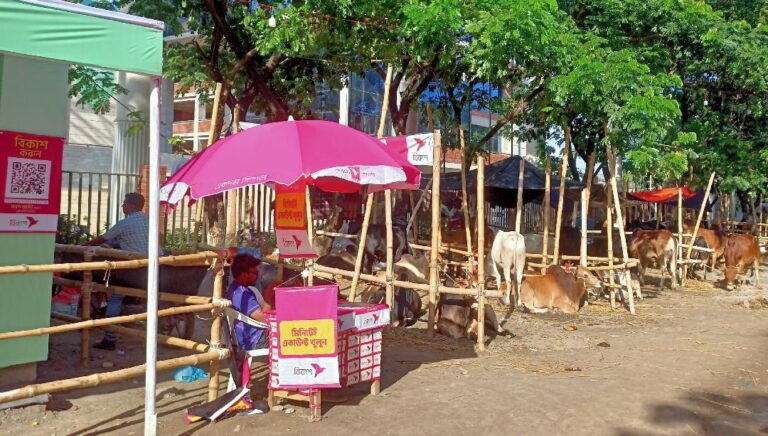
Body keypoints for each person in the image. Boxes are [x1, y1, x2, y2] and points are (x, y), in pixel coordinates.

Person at [86, 192, 149, 350]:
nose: (122, 206)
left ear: (131, 205)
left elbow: (102, 239)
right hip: (152, 267)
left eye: (124, 203)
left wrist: (83, 245)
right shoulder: (149, 220)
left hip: (133, 270)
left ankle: (110, 338)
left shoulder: (124, 224)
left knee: (115, 297)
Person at [228, 254, 271, 350]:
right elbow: (265, 319)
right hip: (255, 339)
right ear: (244, 275)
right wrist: (269, 294)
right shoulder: (243, 295)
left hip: (246, 336)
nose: (257, 275)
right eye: (254, 272)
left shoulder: (234, 288)